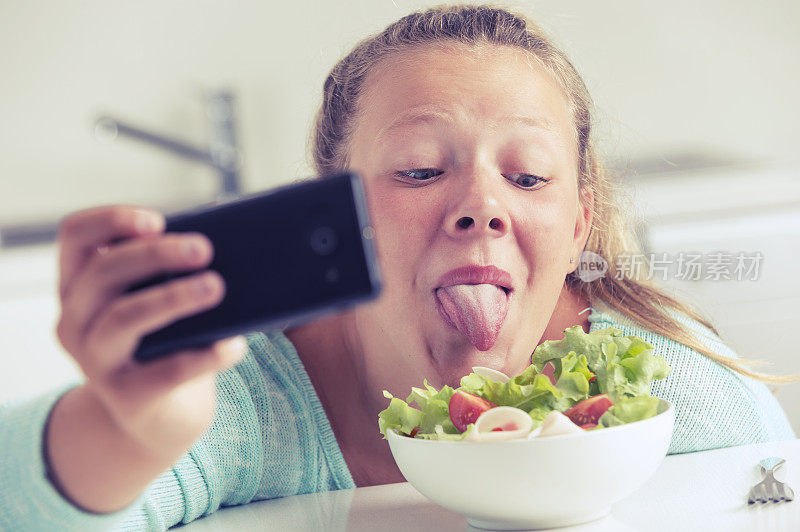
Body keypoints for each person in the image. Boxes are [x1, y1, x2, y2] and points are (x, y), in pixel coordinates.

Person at [0, 4, 794, 530]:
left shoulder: (680, 392)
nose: (481, 206)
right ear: (341, 216)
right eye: (417, 170)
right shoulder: (245, 408)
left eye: (527, 178)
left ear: (579, 221)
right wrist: (126, 429)